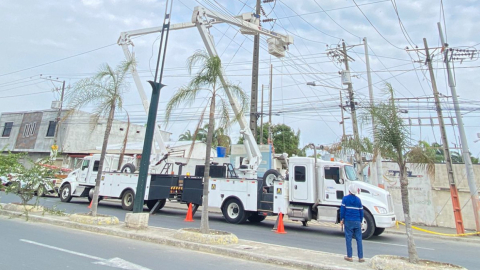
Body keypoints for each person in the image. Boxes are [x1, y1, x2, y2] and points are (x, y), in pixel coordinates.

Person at [340, 183, 364, 263]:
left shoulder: (345, 199)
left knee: (348, 239)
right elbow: (361, 212)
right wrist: (360, 221)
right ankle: (361, 257)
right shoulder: (358, 200)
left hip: (348, 221)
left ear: (349, 191)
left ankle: (349, 256)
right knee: (359, 239)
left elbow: (342, 210)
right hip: (357, 221)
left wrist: (341, 219)